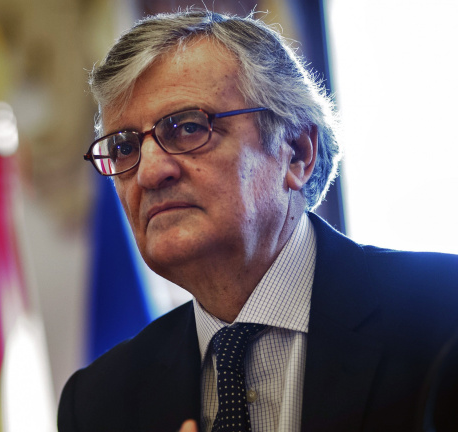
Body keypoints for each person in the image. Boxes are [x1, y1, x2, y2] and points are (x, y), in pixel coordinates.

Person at [58, 9, 458, 432]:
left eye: (188, 128)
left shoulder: (444, 313)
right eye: (124, 148)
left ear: (297, 153)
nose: (149, 172)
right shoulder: (97, 403)